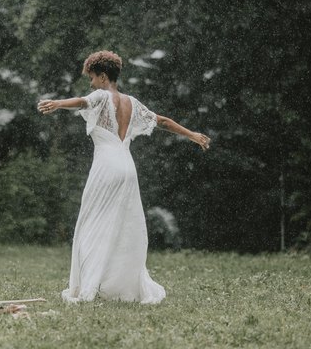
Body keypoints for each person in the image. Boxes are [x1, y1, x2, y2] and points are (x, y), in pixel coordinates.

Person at [37, 50, 210, 304]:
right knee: (122, 229)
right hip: (127, 168)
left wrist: (58, 103)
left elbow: (84, 101)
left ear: (104, 77)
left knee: (90, 226)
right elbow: (161, 121)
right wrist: (192, 135)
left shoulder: (102, 95)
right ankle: (116, 286)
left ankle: (91, 285)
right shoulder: (132, 103)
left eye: (93, 78)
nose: (92, 84)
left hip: (107, 166)